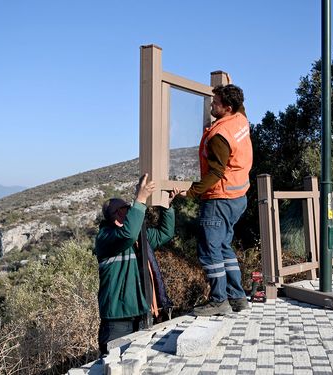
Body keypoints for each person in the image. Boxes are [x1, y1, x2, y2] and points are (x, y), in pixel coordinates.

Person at [181, 84, 253, 316]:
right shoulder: (240, 121)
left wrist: (191, 192)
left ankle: (219, 300)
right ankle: (238, 297)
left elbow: (215, 173)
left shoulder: (219, 136)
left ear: (227, 107)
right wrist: (230, 86)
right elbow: (241, 105)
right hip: (238, 197)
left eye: (216, 102)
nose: (211, 104)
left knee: (210, 250)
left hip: (219, 199)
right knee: (223, 247)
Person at [94, 174, 178, 355]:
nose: (129, 211)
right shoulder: (106, 238)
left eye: (128, 207)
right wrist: (140, 199)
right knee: (114, 366)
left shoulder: (139, 238)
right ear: (115, 217)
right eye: (124, 209)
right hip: (117, 322)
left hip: (142, 316)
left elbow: (165, 233)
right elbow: (128, 234)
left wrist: (167, 206)